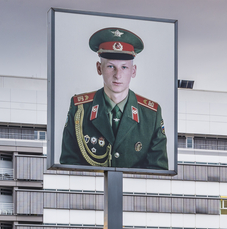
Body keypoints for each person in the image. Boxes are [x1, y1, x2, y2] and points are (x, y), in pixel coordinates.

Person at [60, 27, 168, 170]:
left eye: (124, 67)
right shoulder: (80, 109)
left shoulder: (151, 115)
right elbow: (69, 167)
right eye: (111, 66)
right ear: (99, 68)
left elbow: (158, 172)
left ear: (133, 71)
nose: (118, 75)